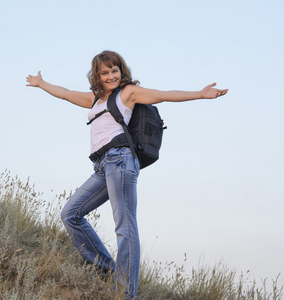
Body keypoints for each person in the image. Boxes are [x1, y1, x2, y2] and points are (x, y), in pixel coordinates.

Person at [26, 50, 228, 298]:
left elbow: (163, 96)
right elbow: (66, 94)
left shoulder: (128, 93)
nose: (110, 76)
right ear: (97, 76)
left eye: (114, 70)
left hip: (120, 161)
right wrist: (41, 83)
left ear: (121, 71)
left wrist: (200, 94)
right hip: (102, 165)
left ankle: (125, 291)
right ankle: (107, 269)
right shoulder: (95, 99)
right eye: (105, 72)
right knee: (71, 214)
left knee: (125, 225)